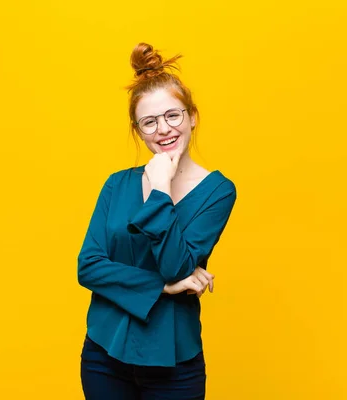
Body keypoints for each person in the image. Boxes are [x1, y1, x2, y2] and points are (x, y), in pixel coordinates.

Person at [77, 43, 237, 400]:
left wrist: (161, 188)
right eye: (150, 122)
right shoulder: (117, 184)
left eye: (173, 116)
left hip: (174, 363)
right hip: (104, 354)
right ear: (138, 130)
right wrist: (163, 288)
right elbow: (88, 267)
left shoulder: (218, 192)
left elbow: (176, 265)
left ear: (193, 116)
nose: (163, 129)